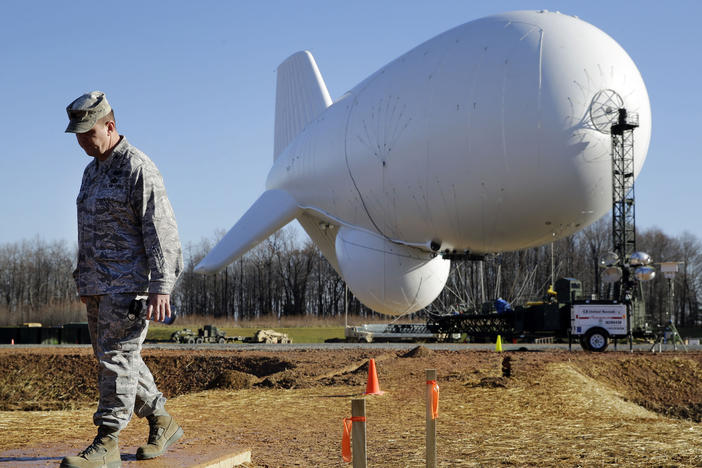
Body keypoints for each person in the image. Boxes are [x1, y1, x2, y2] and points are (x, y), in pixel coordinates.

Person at [61, 91, 184, 468]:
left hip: (129, 285)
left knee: (116, 358)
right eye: (78, 134)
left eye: (89, 132)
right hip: (98, 284)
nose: (83, 141)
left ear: (110, 126)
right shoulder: (92, 171)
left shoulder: (138, 167)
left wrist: (161, 285)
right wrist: (86, 279)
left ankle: (107, 441)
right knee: (116, 357)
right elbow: (89, 229)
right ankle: (162, 421)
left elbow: (161, 229)